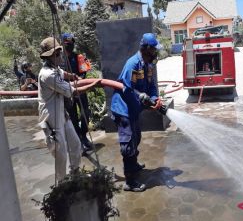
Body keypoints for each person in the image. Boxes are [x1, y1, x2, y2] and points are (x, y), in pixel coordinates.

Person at [38, 37, 100, 182]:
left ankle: (75, 174)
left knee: (76, 145)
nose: (61, 55)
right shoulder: (48, 75)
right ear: (50, 57)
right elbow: (72, 91)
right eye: (58, 54)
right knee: (61, 155)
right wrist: (94, 85)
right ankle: (62, 185)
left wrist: (72, 75)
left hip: (62, 114)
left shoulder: (54, 68)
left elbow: (63, 73)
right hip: (52, 118)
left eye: (60, 52)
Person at [111, 33, 163, 192]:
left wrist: (154, 98)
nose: (156, 53)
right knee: (128, 144)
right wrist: (140, 97)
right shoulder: (132, 64)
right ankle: (130, 181)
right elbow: (126, 89)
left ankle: (133, 165)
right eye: (154, 49)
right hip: (124, 108)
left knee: (136, 137)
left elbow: (152, 86)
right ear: (147, 49)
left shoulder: (148, 65)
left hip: (133, 109)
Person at [61, 33, 93, 152]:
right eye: (67, 44)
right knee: (72, 116)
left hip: (80, 90)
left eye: (71, 44)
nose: (69, 46)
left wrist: (79, 79)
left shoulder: (79, 57)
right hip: (67, 92)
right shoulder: (59, 60)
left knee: (85, 113)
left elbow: (84, 72)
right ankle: (79, 140)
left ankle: (84, 135)